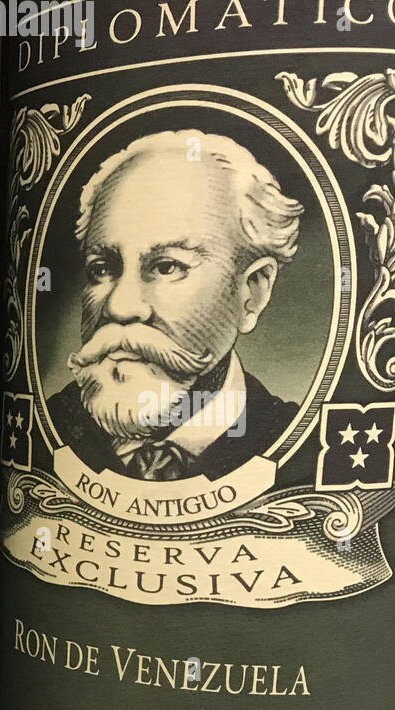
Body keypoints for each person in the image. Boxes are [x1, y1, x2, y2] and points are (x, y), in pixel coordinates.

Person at [47, 130, 302, 482]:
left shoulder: (303, 446)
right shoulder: (46, 428)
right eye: (102, 269)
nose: (120, 307)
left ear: (251, 292)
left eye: (167, 267)